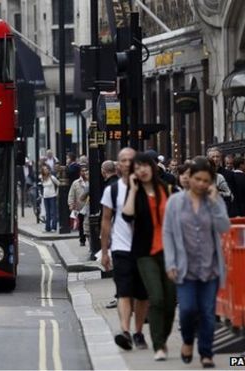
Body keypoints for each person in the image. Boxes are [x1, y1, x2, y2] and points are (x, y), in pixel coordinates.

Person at [163, 156, 230, 369]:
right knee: (188, 310)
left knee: (208, 313)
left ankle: (206, 353)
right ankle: (188, 341)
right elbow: (168, 233)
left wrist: (215, 202)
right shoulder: (175, 201)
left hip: (209, 268)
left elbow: (223, 228)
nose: (201, 184)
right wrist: (170, 263)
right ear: (189, 178)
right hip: (185, 268)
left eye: (206, 180)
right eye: (198, 179)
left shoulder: (213, 201)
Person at [121, 153, 176, 361]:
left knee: (170, 301)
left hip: (169, 252)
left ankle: (162, 337)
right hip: (145, 253)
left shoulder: (167, 189)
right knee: (157, 297)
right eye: (138, 167)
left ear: (153, 167)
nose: (142, 170)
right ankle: (159, 345)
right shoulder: (134, 192)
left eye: (145, 166)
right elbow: (127, 216)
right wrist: (134, 190)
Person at [100, 147, 149, 351]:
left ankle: (138, 332)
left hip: (145, 248)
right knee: (124, 292)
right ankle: (125, 331)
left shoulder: (149, 187)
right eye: (123, 160)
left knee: (142, 295)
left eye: (131, 160)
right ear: (118, 165)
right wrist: (104, 251)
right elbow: (105, 221)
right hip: (121, 248)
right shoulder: (112, 190)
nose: (127, 163)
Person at [68, 166, 89, 247]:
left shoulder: (91, 181)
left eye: (85, 170)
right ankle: (82, 240)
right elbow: (71, 194)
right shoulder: (76, 183)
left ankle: (89, 239)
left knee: (88, 224)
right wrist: (71, 204)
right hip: (80, 207)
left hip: (89, 206)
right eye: (82, 171)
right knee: (81, 224)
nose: (84, 172)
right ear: (80, 172)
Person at [40, 164, 60, 232]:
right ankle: (47, 227)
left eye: (47, 169)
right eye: (44, 170)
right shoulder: (42, 178)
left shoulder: (52, 177)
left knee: (53, 212)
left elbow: (58, 184)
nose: (46, 170)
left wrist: (57, 193)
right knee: (47, 213)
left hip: (52, 196)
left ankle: (53, 227)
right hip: (45, 197)